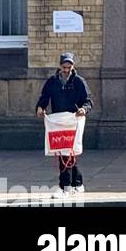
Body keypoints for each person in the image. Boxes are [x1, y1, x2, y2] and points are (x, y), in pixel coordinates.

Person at [35, 52, 92, 195]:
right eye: (64, 67)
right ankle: (76, 183)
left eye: (69, 67)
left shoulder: (79, 81)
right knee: (64, 152)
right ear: (60, 66)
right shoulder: (52, 82)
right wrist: (40, 108)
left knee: (68, 152)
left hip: (73, 119)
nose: (66, 70)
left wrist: (83, 109)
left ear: (73, 66)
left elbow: (88, 100)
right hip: (58, 120)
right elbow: (44, 97)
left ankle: (65, 186)